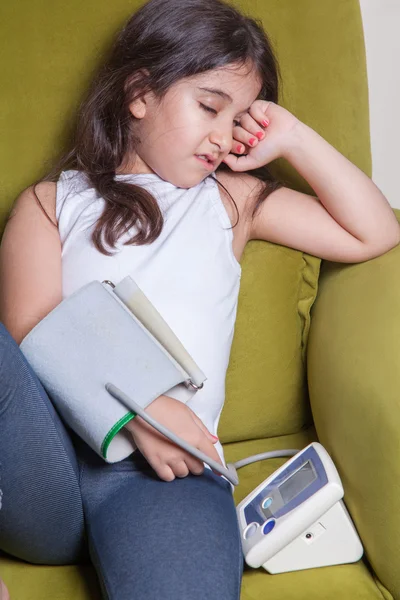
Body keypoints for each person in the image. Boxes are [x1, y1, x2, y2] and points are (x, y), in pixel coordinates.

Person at [1, 0, 399, 598]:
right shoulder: (51, 202)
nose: (222, 135)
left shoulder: (231, 201)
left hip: (168, 478)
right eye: (210, 105)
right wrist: (143, 407)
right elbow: (30, 330)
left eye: (239, 119)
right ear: (139, 93)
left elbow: (374, 232)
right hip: (47, 469)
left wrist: (293, 137)